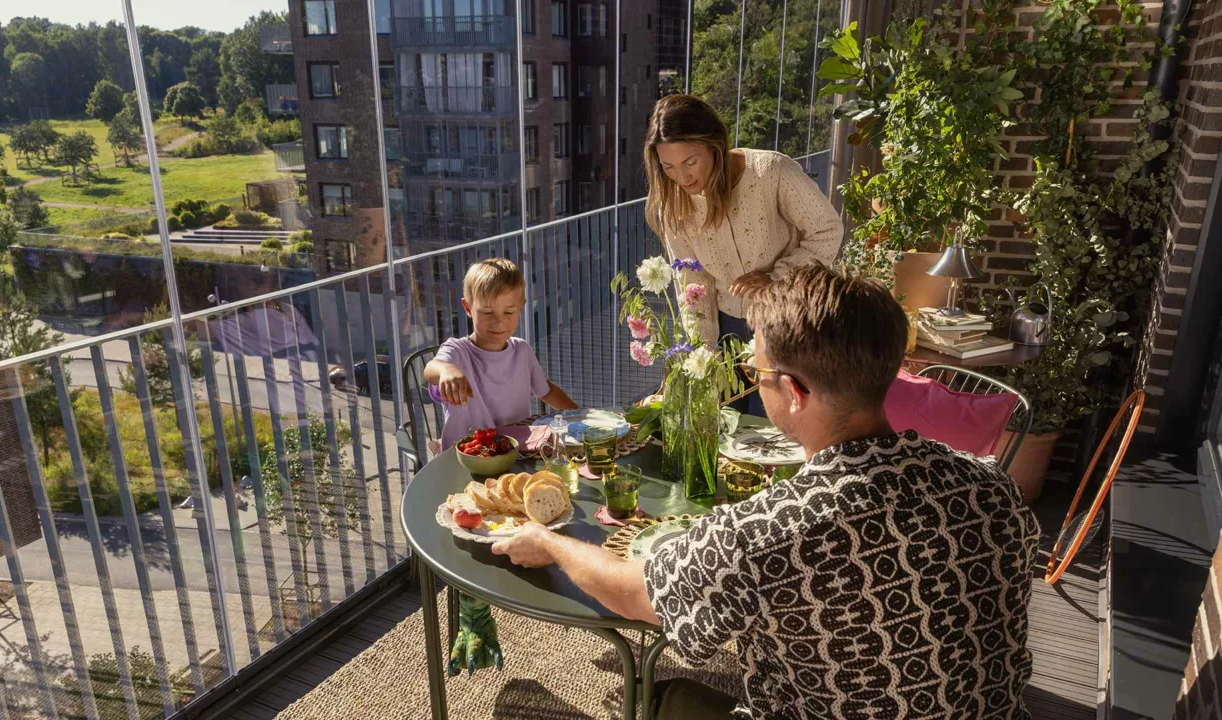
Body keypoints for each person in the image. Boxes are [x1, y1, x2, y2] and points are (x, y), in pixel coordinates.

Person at [492, 263, 1040, 719]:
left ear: (795, 391)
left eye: (757, 372)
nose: (753, 380)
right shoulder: (992, 486)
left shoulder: (766, 533)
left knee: (657, 697)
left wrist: (550, 542)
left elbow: (632, 594)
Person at [644, 94, 843, 415]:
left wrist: (776, 278)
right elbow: (693, 287)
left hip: (787, 323)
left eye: (690, 162)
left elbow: (827, 230)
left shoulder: (771, 172)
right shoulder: (675, 207)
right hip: (727, 330)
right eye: (668, 167)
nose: (682, 177)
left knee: (781, 430)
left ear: (714, 145)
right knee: (727, 430)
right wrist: (703, 360)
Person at [425, 258, 578, 449]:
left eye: (508, 312)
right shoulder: (456, 351)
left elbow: (546, 390)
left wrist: (579, 415)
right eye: (487, 313)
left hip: (516, 454)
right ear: (468, 308)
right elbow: (431, 370)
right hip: (464, 461)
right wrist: (447, 370)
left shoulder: (522, 351)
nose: (499, 322)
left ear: (521, 307)